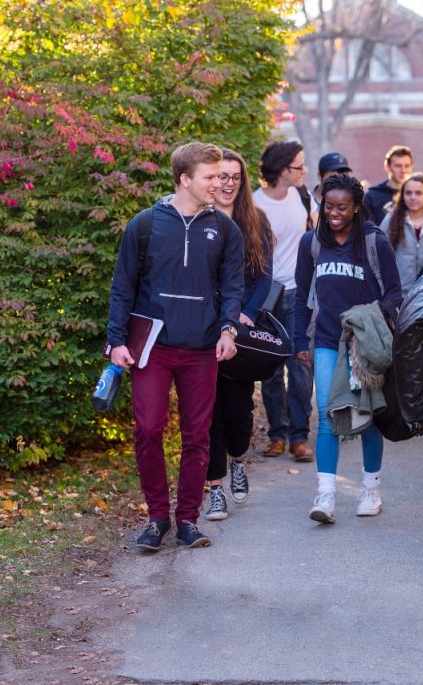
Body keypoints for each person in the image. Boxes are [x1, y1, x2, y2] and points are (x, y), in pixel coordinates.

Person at [107, 142, 244, 551]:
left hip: (202, 349)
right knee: (148, 429)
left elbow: (232, 287)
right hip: (153, 347)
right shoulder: (146, 224)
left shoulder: (224, 229)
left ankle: (187, 520)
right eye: (210, 176)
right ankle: (156, 518)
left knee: (197, 435)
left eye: (221, 175)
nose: (219, 183)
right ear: (185, 179)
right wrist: (116, 340)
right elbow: (123, 286)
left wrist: (227, 331)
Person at [294, 173, 403, 523]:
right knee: (329, 414)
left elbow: (394, 294)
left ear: (357, 207)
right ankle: (326, 495)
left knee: (367, 415)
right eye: (329, 206)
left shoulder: (374, 243)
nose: (335, 213)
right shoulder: (311, 243)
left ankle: (370, 489)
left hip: (363, 344)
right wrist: (300, 340)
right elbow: (302, 297)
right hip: (326, 341)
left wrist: (370, 319)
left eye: (342, 207)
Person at [204, 149, 274, 521]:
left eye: (235, 177)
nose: (228, 183)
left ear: (243, 181)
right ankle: (215, 488)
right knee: (208, 412)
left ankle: (238, 460)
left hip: (240, 333)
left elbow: (264, 278)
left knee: (238, 408)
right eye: (222, 176)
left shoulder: (255, 221)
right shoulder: (198, 218)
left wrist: (245, 314)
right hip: (201, 332)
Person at [254, 141, 315, 462]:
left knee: (301, 366)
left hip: (299, 293)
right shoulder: (254, 204)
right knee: (271, 369)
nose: (304, 171)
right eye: (298, 166)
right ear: (282, 170)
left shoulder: (302, 195)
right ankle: (277, 434)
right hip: (267, 297)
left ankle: (299, 437)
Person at [379, 172, 423, 297]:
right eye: (408, 193)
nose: (413, 197)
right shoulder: (391, 219)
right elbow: (377, 254)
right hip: (397, 296)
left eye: (418, 193)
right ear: (402, 195)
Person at [364, 145, 414, 224]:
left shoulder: (417, 195)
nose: (403, 170)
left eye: (407, 166)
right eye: (398, 166)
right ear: (387, 167)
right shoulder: (372, 197)